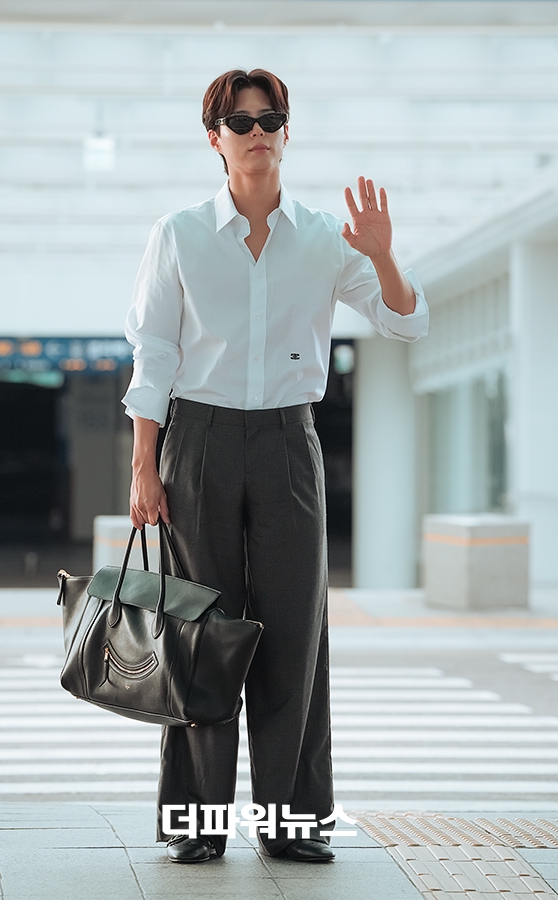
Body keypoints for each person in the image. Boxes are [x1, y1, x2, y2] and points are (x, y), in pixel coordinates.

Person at [122, 68, 428, 864]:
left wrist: (386, 257)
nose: (258, 130)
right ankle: (198, 826)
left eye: (272, 117)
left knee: (296, 633)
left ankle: (293, 824)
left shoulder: (328, 236)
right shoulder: (180, 233)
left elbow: (407, 322)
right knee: (203, 633)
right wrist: (143, 466)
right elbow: (153, 355)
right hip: (199, 442)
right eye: (240, 119)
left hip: (291, 443)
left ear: (287, 131)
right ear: (215, 137)